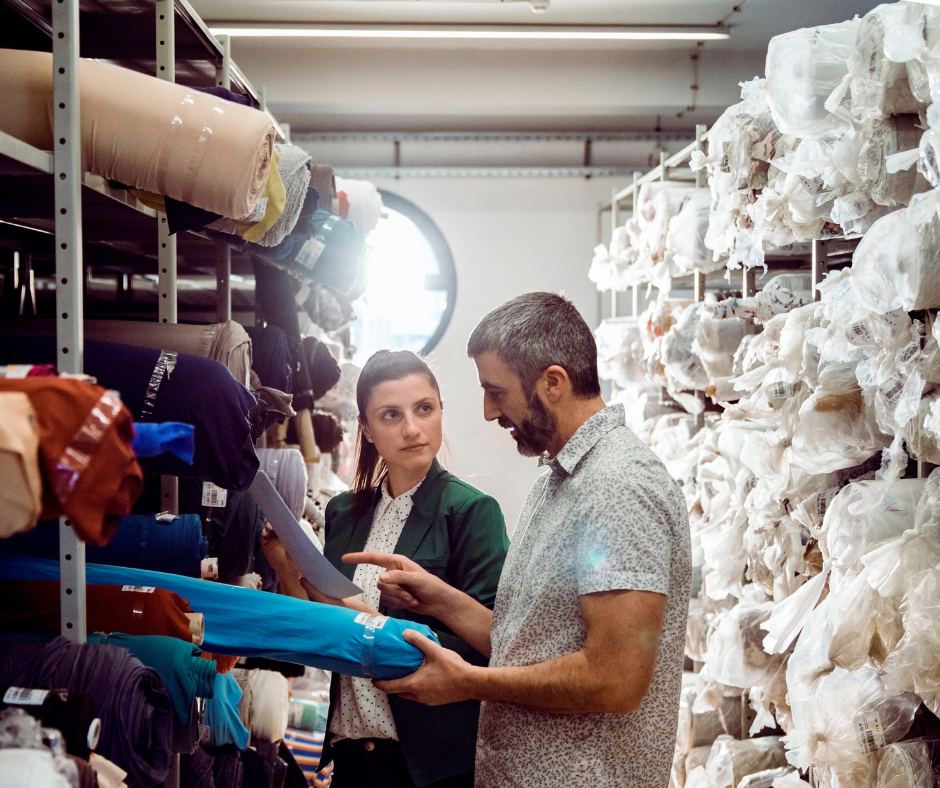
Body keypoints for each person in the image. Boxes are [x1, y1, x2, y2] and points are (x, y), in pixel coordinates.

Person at [345, 292, 692, 788]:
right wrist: (441, 600)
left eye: (496, 391)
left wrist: (469, 682)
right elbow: (526, 643)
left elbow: (615, 679)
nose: (489, 411)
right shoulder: (560, 479)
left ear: (553, 383)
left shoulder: (618, 485)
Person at [262, 349, 509, 788]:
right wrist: (283, 561)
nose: (412, 428)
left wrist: (374, 624)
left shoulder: (471, 512)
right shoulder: (344, 512)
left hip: (432, 766)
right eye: (391, 415)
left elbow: (497, 644)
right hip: (352, 754)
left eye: (424, 409)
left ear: (440, 411)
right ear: (367, 428)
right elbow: (327, 629)